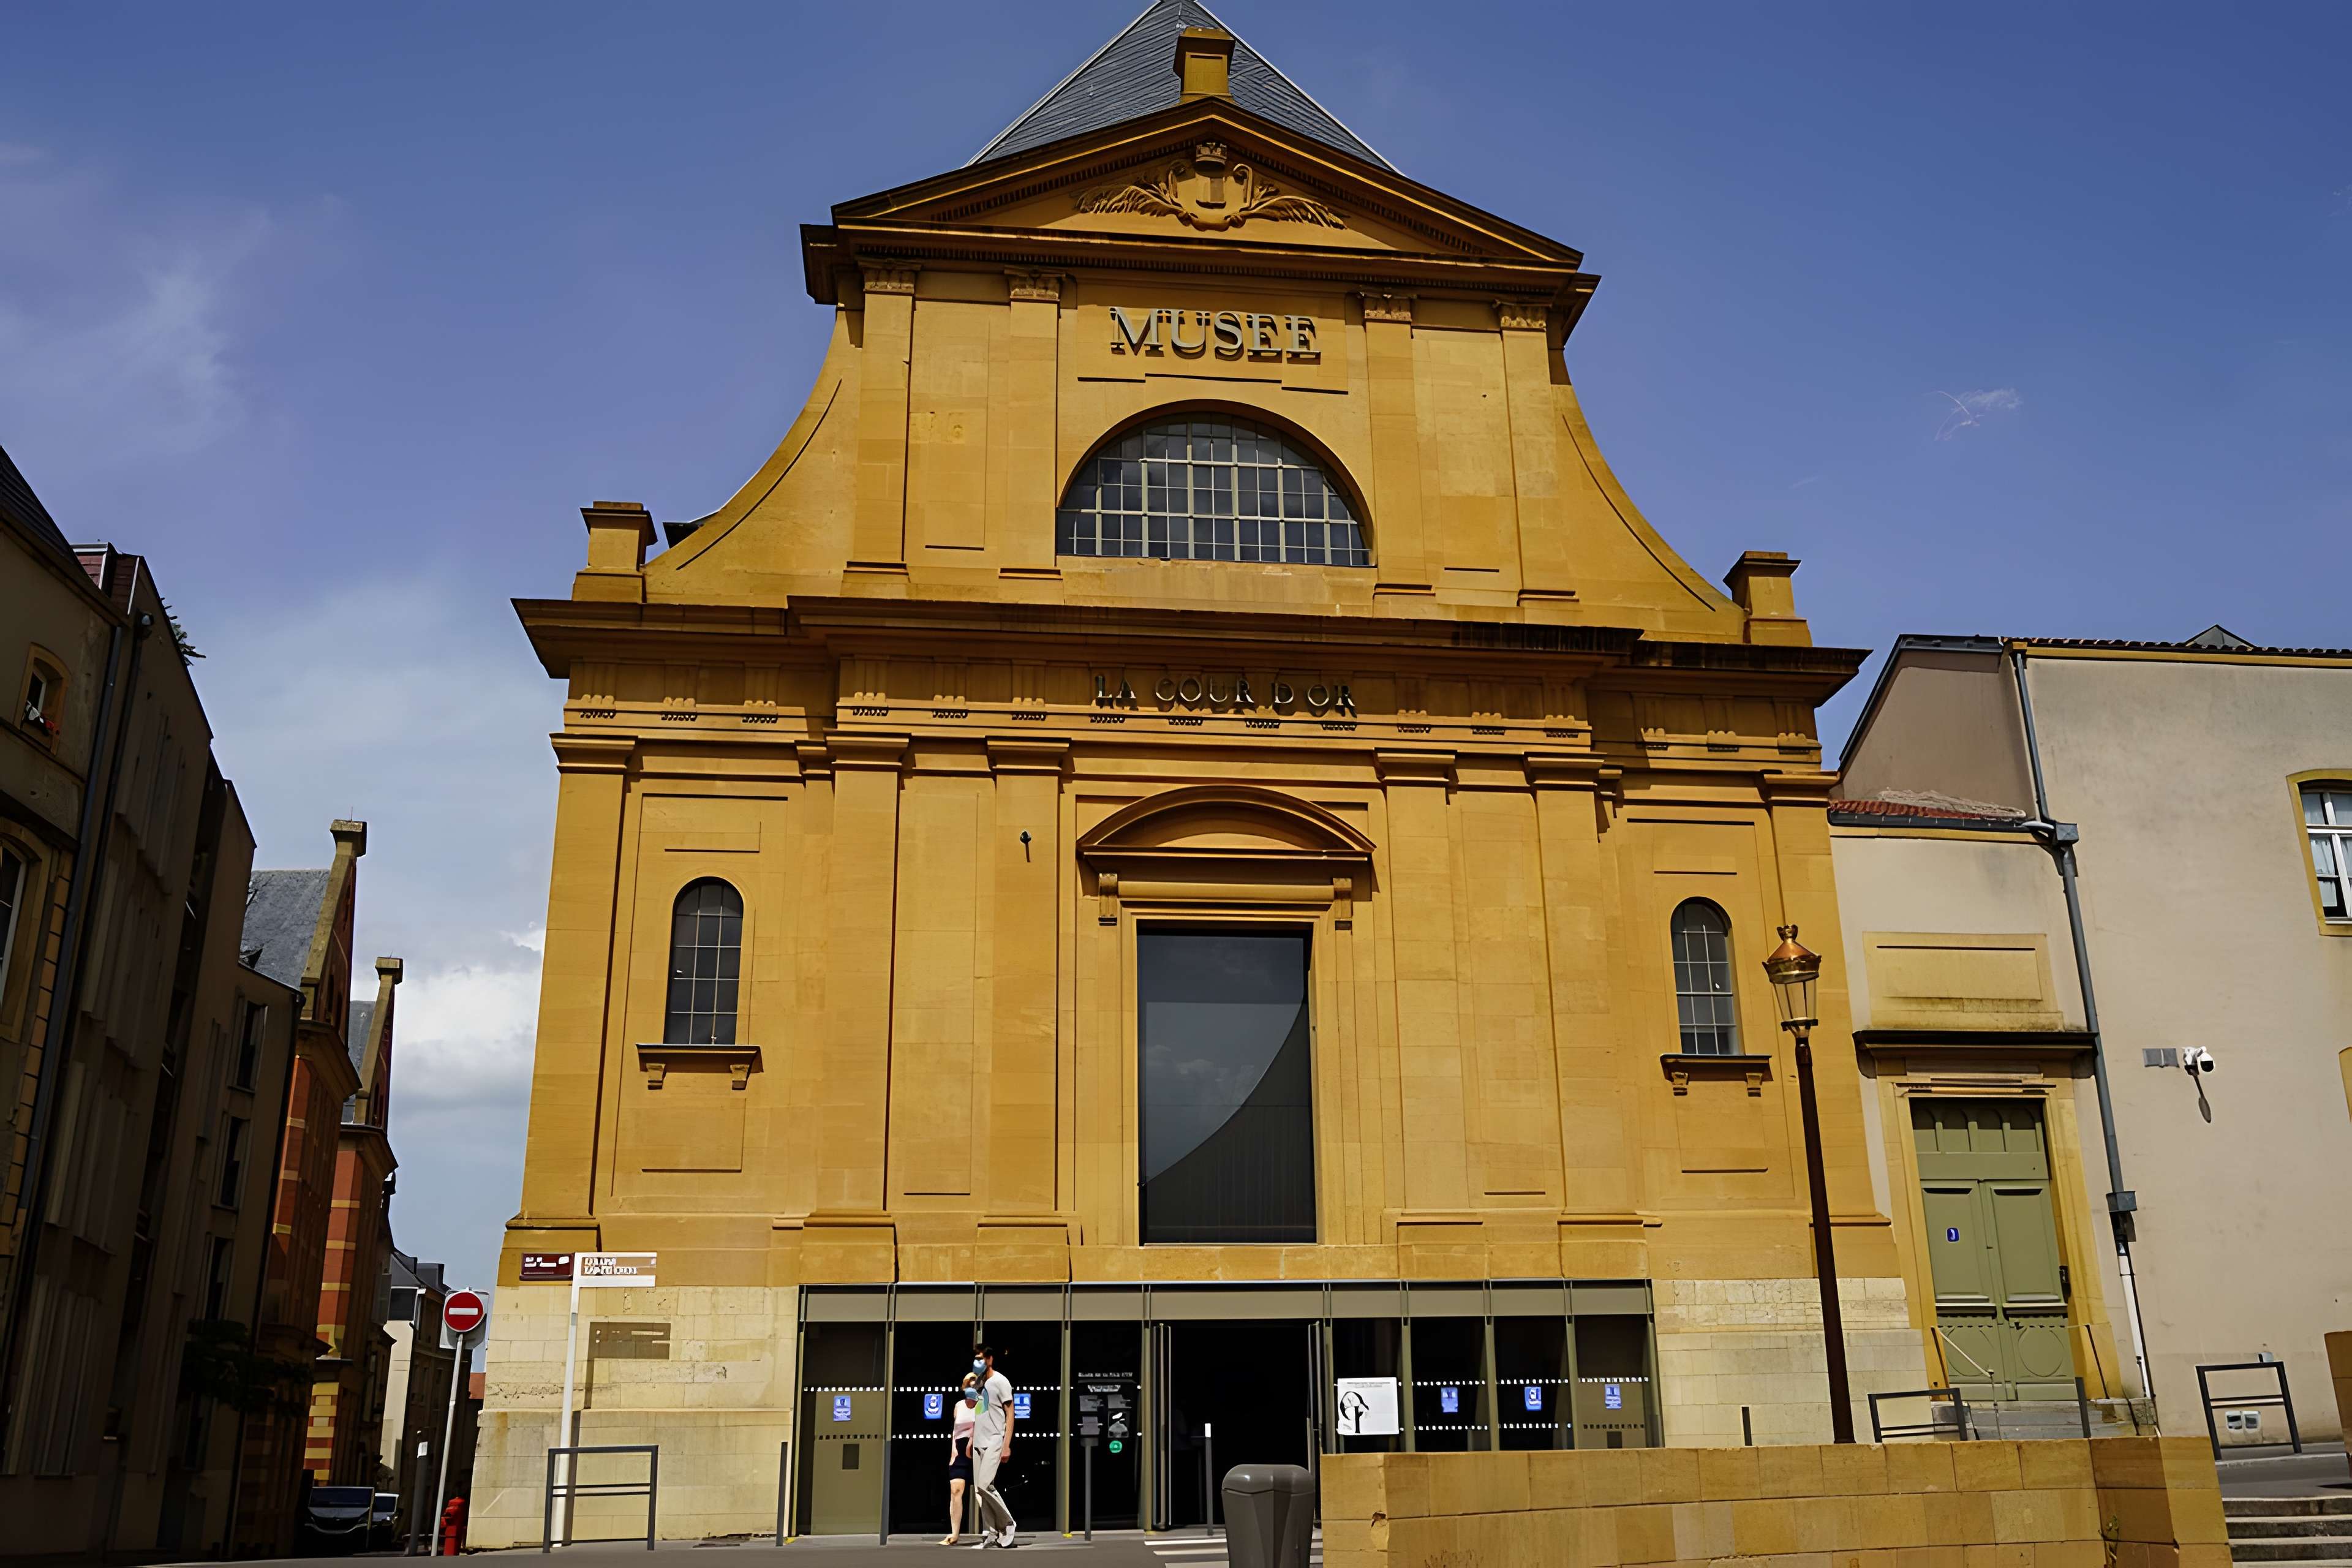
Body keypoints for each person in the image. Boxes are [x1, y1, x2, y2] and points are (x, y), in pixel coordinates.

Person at [967, 1344, 1017, 1548]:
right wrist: (971, 1438)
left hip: (995, 1440)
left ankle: (1008, 1524)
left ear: (989, 1359)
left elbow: (1010, 1413)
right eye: (975, 1358)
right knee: (980, 1491)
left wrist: (1007, 1445)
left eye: (981, 1358)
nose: (977, 1362)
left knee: (985, 1484)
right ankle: (991, 1532)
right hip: (979, 1440)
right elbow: (977, 1410)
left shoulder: (1001, 1381)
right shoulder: (978, 1383)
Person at [939, 1374, 979, 1547]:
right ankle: (955, 1534)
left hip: (977, 1451)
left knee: (982, 1493)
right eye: (969, 1386)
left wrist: (972, 1442)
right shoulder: (959, 1406)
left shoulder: (983, 1406)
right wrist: (954, 1451)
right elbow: (955, 1431)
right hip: (960, 1452)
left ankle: (994, 1532)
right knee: (955, 1491)